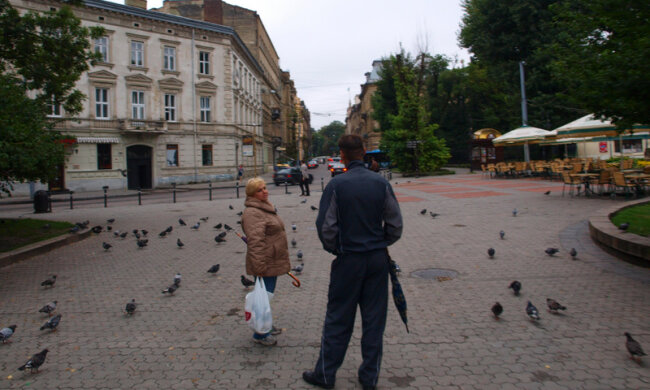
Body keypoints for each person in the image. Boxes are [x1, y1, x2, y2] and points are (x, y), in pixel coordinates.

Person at [303, 135, 403, 390]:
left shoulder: (337, 185)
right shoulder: (381, 184)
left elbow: (326, 227)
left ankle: (325, 375)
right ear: (365, 152)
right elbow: (395, 225)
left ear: (342, 155)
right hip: (376, 260)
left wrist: (338, 248)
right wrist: (380, 243)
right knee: (374, 321)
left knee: (338, 318)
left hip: (348, 260)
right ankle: (369, 378)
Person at [241, 177, 291, 346]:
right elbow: (255, 242)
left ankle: (265, 324)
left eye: (265, 188)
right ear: (252, 194)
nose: (265, 191)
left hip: (272, 259)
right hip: (264, 262)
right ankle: (260, 334)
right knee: (263, 296)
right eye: (260, 190)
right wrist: (259, 265)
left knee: (266, 296)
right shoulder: (253, 213)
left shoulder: (264, 208)